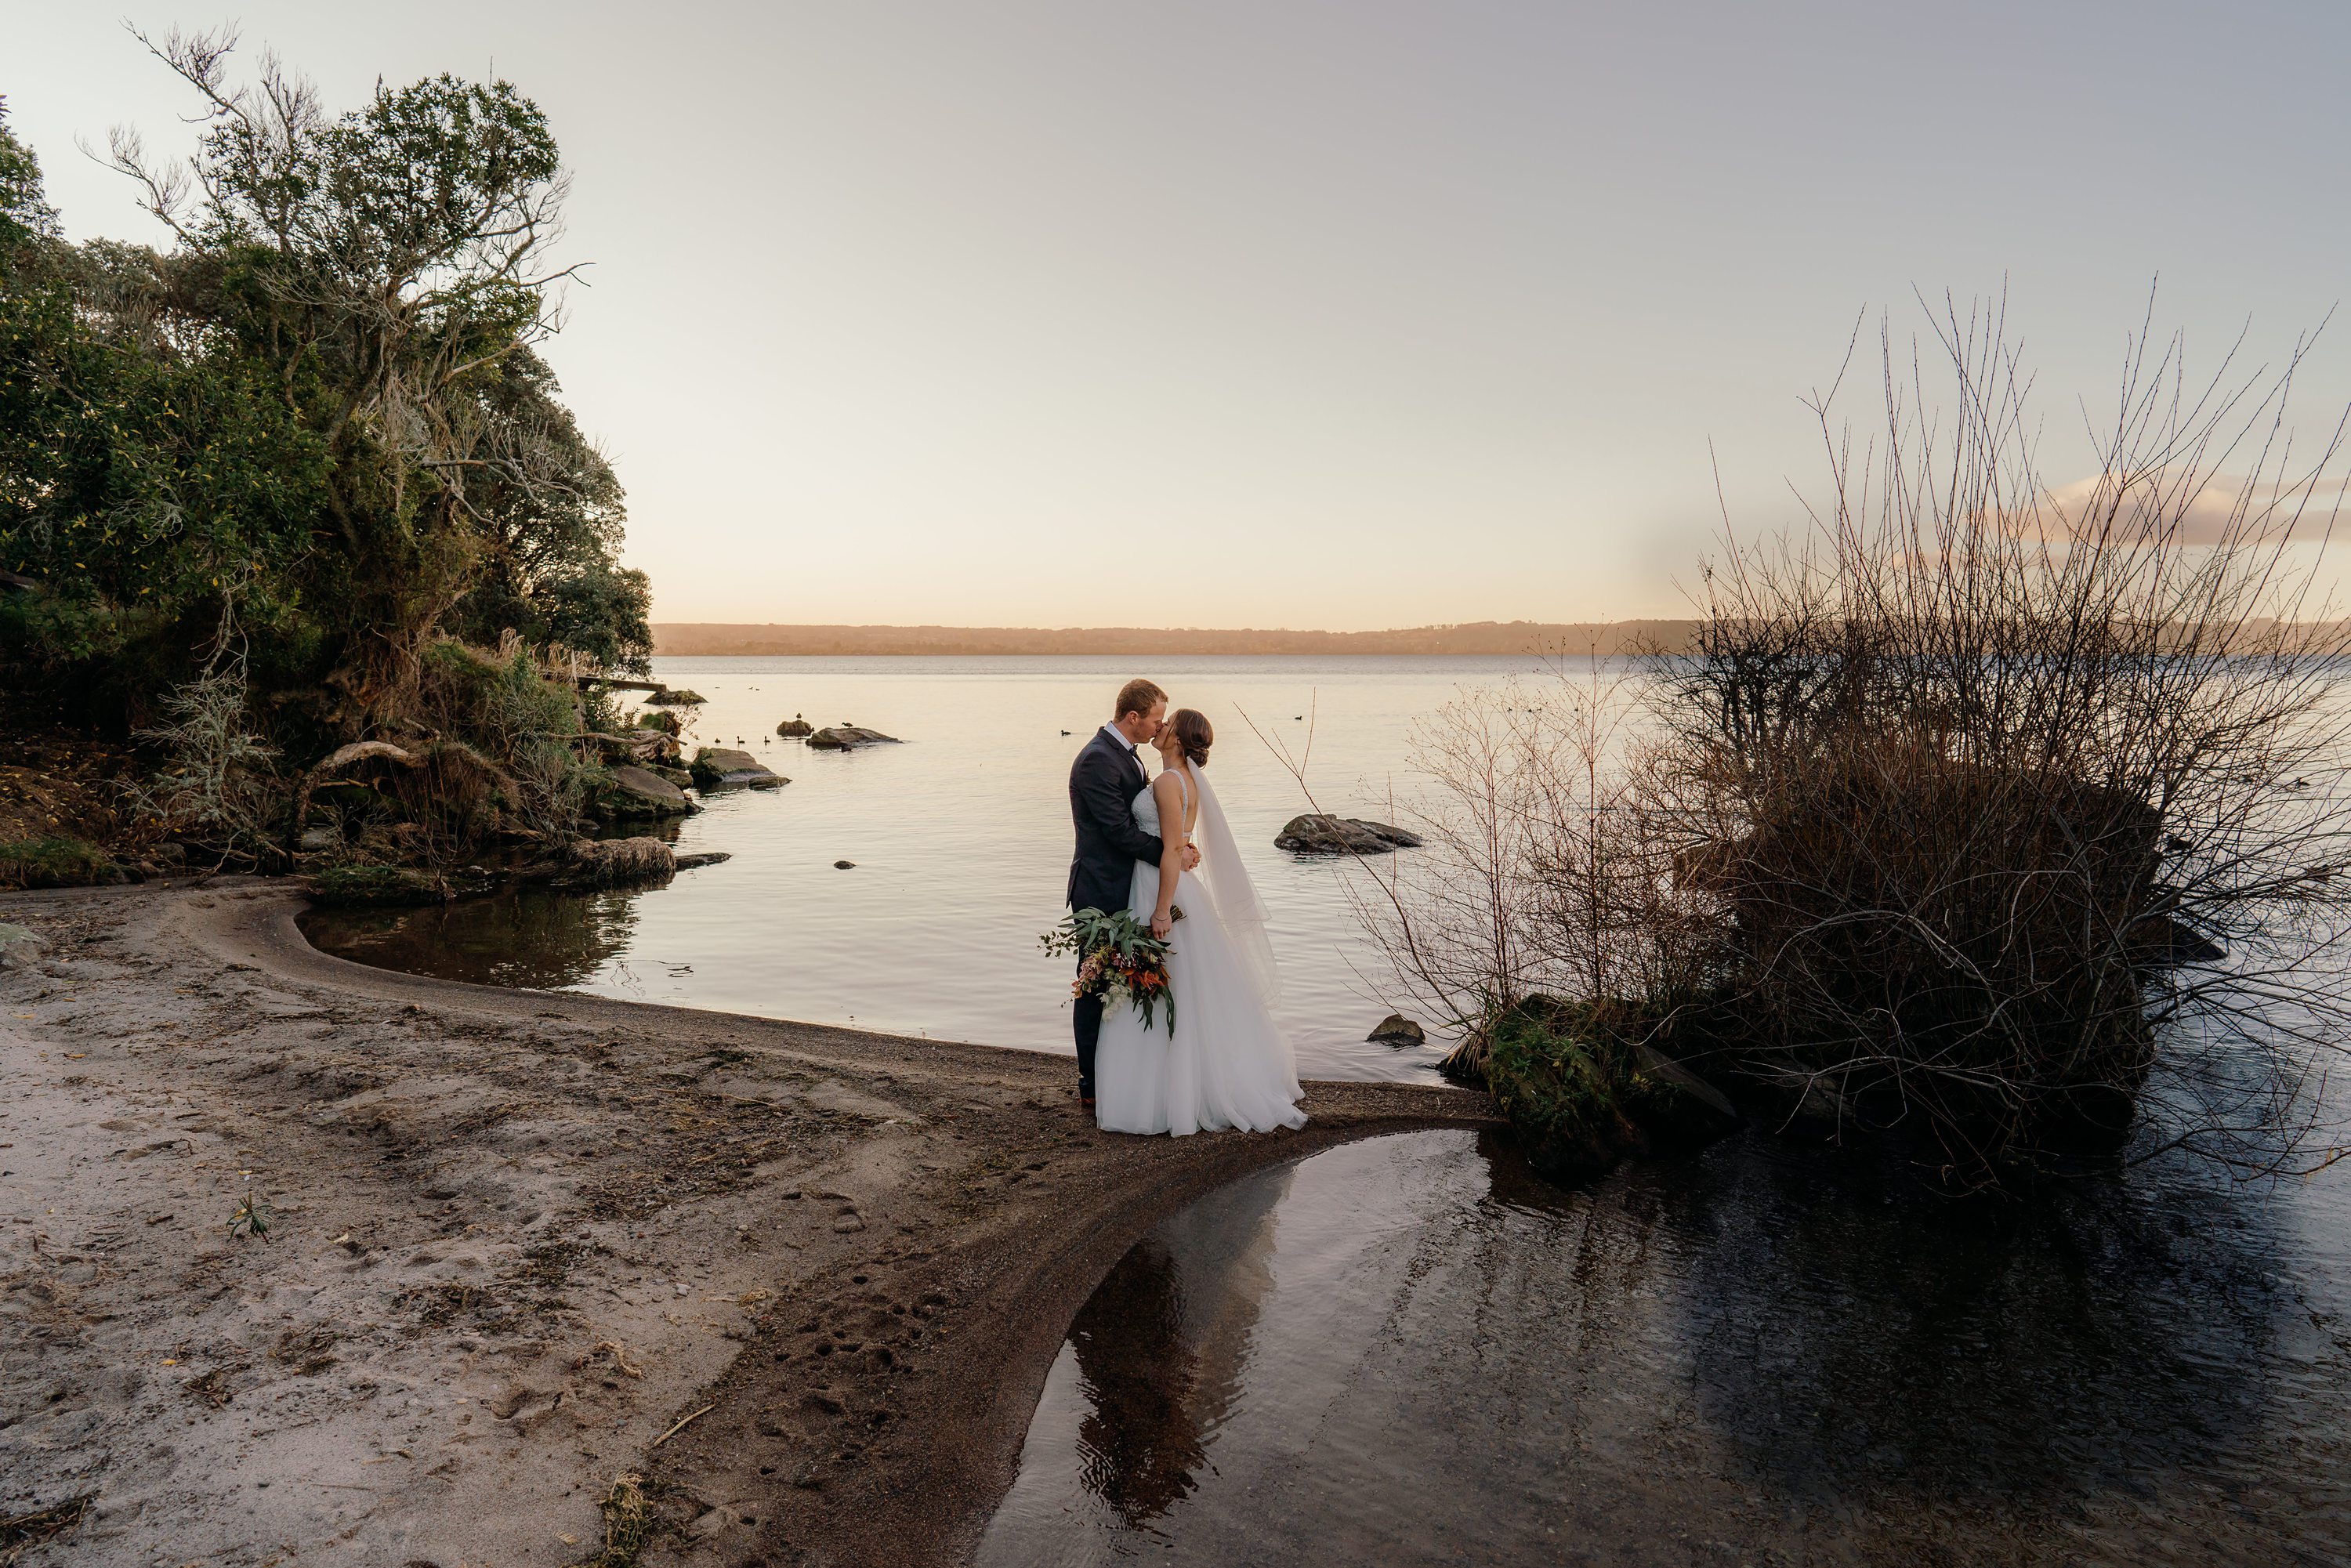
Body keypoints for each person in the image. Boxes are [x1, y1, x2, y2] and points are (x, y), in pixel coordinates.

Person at [1091, 707, 1307, 1135]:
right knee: (1181, 989)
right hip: (1166, 885)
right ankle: (1175, 1085)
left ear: (1179, 739)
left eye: (1167, 724)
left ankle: (1165, 1094)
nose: (1161, 725)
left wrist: (1159, 910)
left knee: (1170, 988)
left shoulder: (1171, 783)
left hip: (1160, 889)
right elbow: (1179, 846)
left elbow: (1172, 851)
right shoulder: (1180, 780)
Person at [1066, 679, 1194, 1110]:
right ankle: (1091, 1083)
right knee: (1094, 981)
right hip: (1101, 888)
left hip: (1132, 886)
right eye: (1156, 718)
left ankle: (1125, 1072)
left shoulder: (1129, 756)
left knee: (1125, 982)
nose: (1161, 726)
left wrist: (1177, 850)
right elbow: (1119, 832)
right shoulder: (1097, 761)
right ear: (1134, 717)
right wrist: (1172, 853)